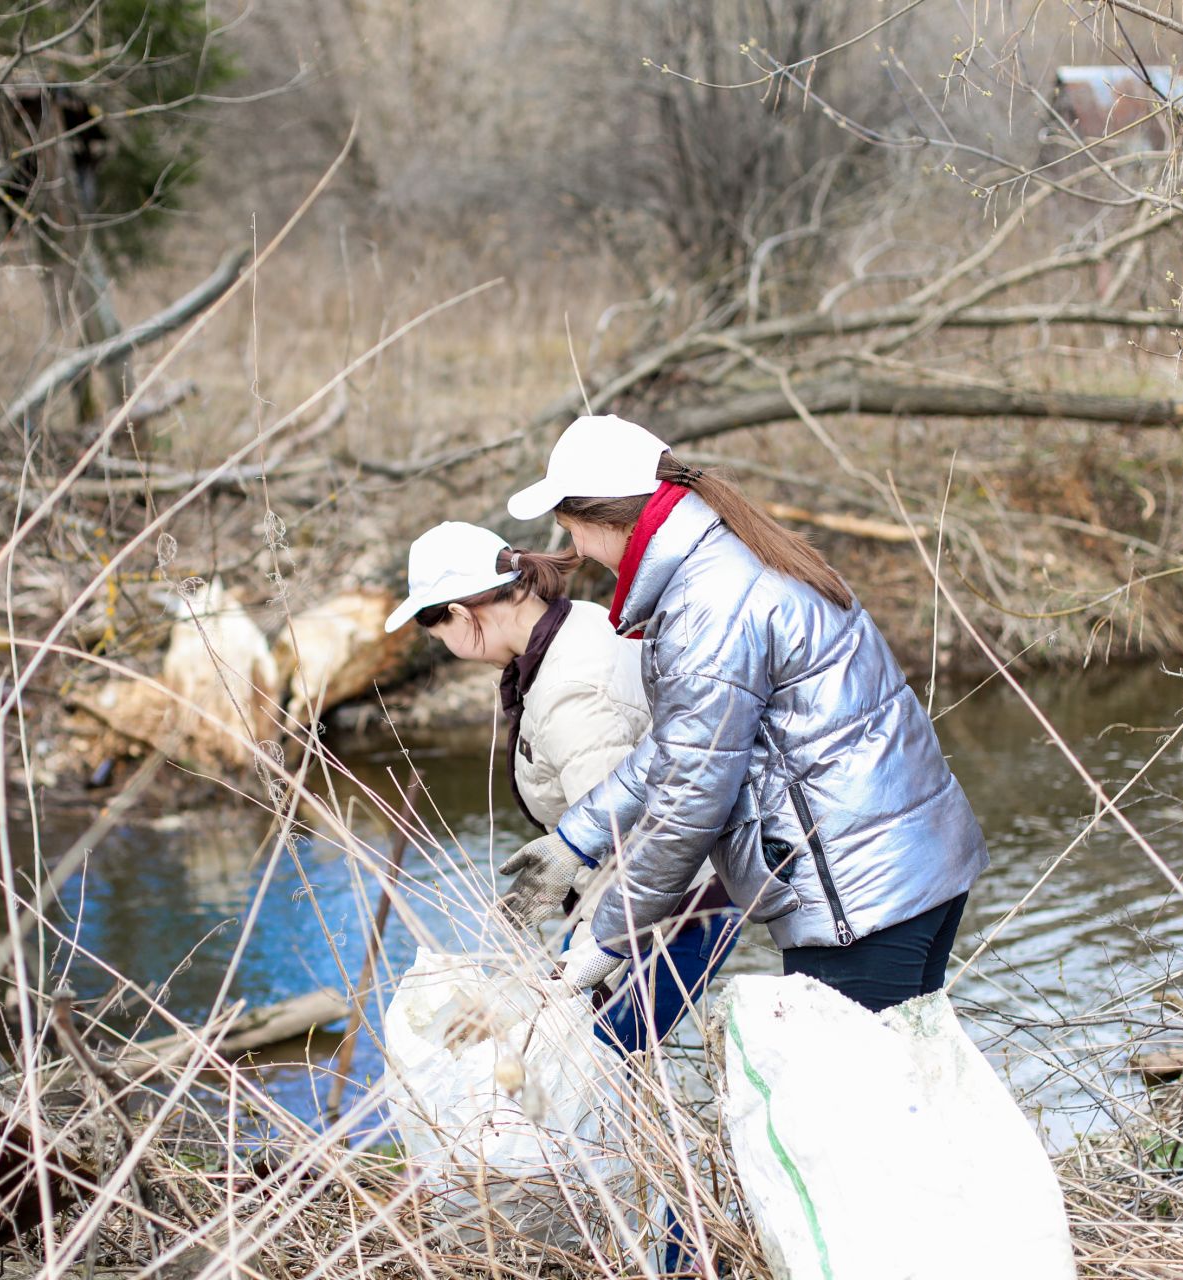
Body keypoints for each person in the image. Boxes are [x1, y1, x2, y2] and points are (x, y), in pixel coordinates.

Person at [499, 416, 988, 1014]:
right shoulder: (729, 556)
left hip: (858, 897)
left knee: (849, 1104)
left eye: (572, 530)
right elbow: (680, 745)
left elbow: (689, 800)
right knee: (907, 1087)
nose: (575, 551)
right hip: (909, 860)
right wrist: (575, 840)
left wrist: (608, 937)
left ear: (605, 517)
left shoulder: (707, 606)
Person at [386, 521, 741, 1051]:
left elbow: (631, 841)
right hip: (666, 897)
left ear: (461, 616)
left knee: (600, 1057)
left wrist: (591, 951)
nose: (450, 648)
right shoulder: (582, 622)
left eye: (442, 638)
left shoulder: (571, 693)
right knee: (578, 1051)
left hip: (673, 913)